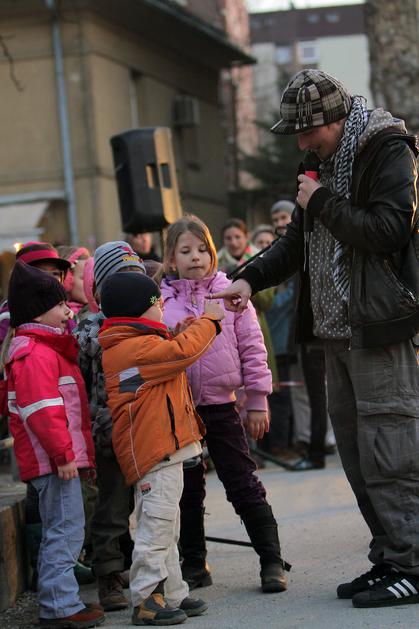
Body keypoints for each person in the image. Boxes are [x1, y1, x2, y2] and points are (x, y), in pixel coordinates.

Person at [209, 69, 419, 608]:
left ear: (337, 119)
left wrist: (322, 200)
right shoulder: (316, 165)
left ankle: (413, 563)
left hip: (378, 327)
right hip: (335, 333)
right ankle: (390, 556)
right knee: (356, 454)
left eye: (308, 131)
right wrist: (248, 279)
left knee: (391, 450)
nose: (302, 143)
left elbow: (390, 230)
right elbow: (295, 245)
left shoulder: (387, 149)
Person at [161, 215, 288, 594]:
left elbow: (253, 348)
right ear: (170, 258)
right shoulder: (161, 301)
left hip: (221, 406)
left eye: (202, 249)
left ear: (213, 254)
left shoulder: (231, 294)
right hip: (180, 409)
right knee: (187, 488)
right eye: (186, 251)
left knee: (241, 480)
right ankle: (195, 562)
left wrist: (257, 400)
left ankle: (271, 559)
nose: (195, 257)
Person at [98, 271, 224, 626]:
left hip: (163, 449)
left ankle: (172, 592)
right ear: (139, 311)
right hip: (155, 452)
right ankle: (145, 598)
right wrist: (209, 321)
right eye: (158, 303)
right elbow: (182, 353)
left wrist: (183, 331)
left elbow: (166, 361)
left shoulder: (134, 346)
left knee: (167, 526)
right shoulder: (134, 348)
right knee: (156, 526)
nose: (163, 309)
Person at [3, 261, 104, 628]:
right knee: (65, 528)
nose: (68, 311)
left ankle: (60, 599)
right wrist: (63, 455)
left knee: (64, 527)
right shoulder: (35, 354)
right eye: (60, 305)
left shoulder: (44, 349)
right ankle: (60, 605)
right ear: (37, 311)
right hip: (54, 462)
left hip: (57, 460)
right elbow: (43, 412)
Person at [74, 241, 146, 611]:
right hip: (109, 432)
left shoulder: (149, 324)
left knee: (149, 504)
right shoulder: (89, 330)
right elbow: (81, 384)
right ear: (101, 291)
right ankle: (108, 575)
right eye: (120, 283)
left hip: (145, 430)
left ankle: (152, 569)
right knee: (113, 508)